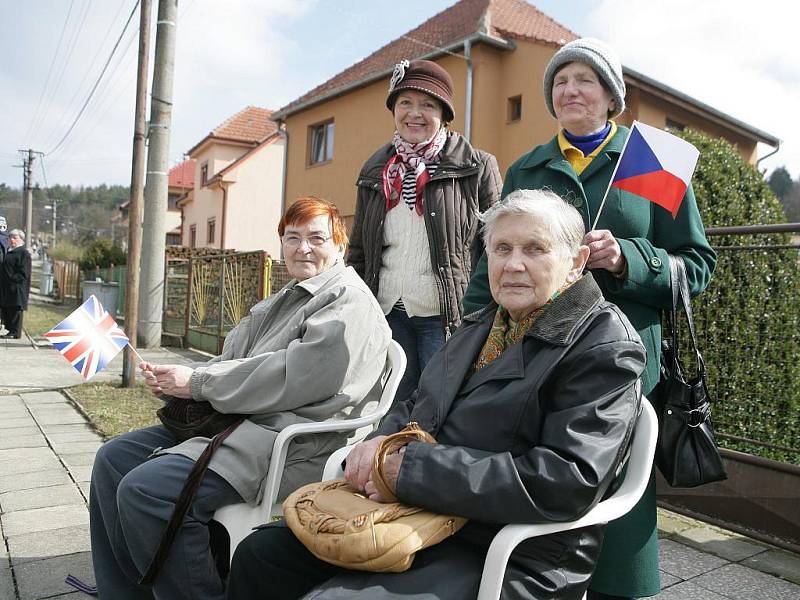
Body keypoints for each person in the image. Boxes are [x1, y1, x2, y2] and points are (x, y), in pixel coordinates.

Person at [227, 190, 647, 600]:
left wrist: (409, 471)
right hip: (423, 513)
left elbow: (567, 479)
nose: (514, 264)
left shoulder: (603, 343)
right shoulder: (483, 323)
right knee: (262, 555)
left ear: (575, 262)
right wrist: (377, 445)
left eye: (535, 249)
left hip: (509, 546)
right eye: (501, 249)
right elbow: (420, 404)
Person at [461, 38, 717, 600]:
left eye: (586, 80)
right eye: (561, 82)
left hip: (623, 352)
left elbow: (695, 266)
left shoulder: (652, 162)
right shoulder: (529, 166)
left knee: (617, 478)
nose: (571, 90)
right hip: (533, 352)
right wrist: (470, 332)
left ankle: (620, 590)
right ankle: (529, 579)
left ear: (611, 95)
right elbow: (494, 257)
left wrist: (629, 257)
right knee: (538, 464)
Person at [89, 197, 391, 600]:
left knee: (148, 491)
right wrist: (181, 379)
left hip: (291, 440)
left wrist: (197, 383)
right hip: (240, 423)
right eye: (292, 238)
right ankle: (128, 592)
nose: (303, 248)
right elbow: (240, 357)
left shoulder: (348, 301)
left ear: (339, 244)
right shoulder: (293, 293)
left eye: (317, 238)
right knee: (113, 459)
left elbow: (290, 377)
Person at [348, 58, 502, 404]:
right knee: (392, 407)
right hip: (388, 312)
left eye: (427, 105)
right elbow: (358, 250)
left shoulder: (476, 166)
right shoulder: (375, 169)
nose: (414, 113)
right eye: (405, 103)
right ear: (393, 110)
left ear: (444, 114)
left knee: (438, 409)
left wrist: (483, 313)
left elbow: (496, 246)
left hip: (446, 316)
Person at [0, 229, 31, 339]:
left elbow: (24, 272)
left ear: (21, 240)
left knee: (15, 310)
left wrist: (13, 280)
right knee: (7, 309)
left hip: (16, 288)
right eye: (10, 238)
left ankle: (15, 332)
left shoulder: (23, 253)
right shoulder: (9, 251)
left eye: (14, 238)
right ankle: (11, 330)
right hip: (6, 287)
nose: (11, 240)